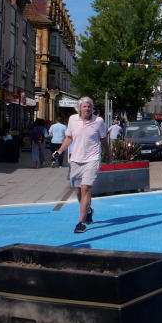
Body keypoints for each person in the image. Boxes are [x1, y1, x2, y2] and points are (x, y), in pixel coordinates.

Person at [52, 96, 108, 234]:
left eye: (89, 106)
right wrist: (59, 151)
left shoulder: (99, 121)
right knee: (77, 191)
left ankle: (81, 223)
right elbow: (69, 138)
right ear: (79, 108)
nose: (87, 108)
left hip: (92, 159)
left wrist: (109, 155)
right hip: (76, 159)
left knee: (85, 188)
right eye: (84, 106)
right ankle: (88, 210)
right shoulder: (72, 120)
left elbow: (103, 140)